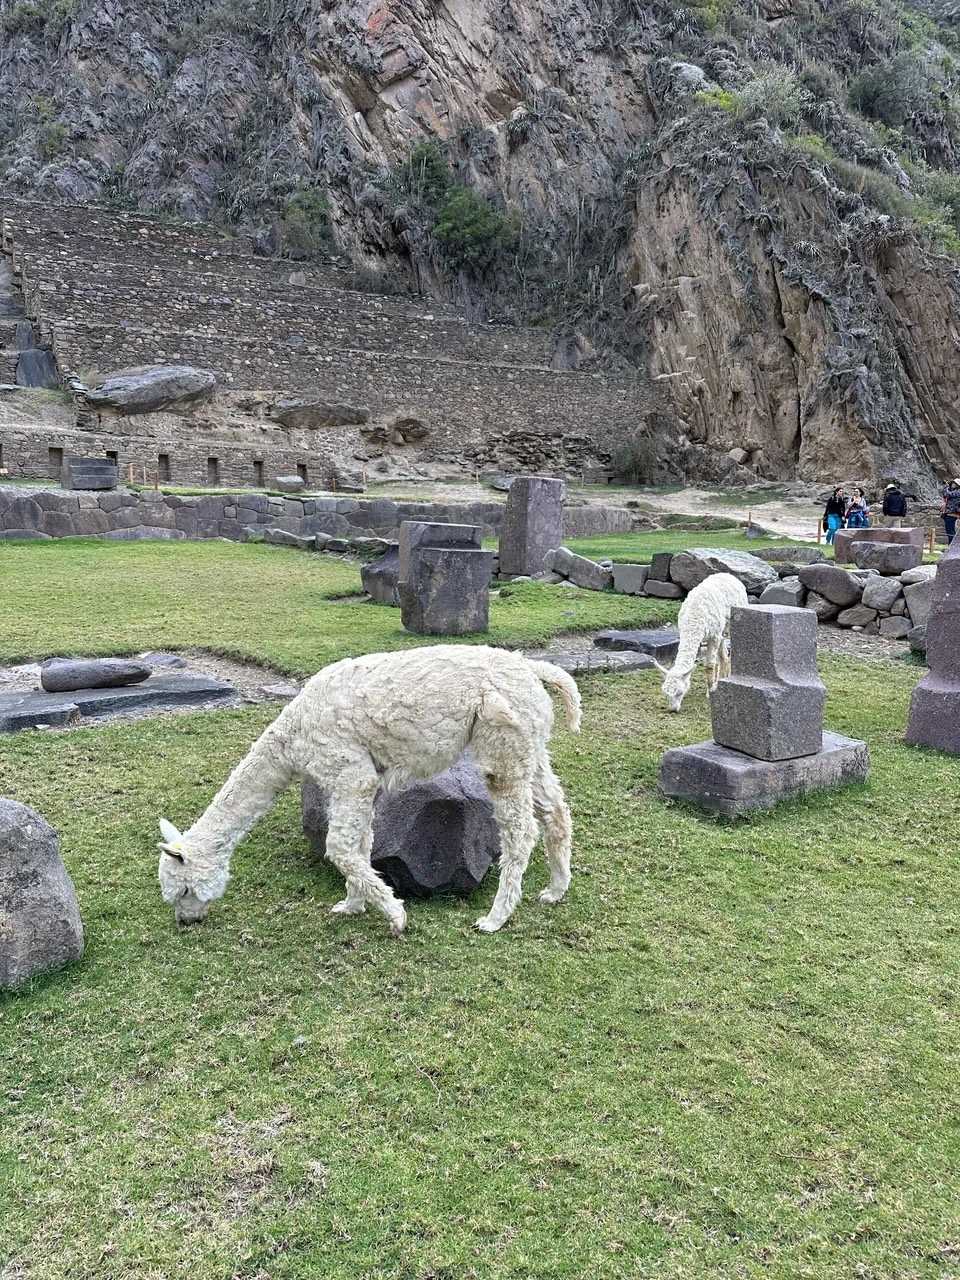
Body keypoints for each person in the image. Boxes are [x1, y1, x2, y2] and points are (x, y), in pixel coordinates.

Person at [941, 478, 960, 543]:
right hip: (949, 514)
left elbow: (947, 494)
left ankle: (952, 546)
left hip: (952, 514)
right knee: (949, 531)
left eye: (955, 484)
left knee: (950, 532)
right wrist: (947, 487)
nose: (953, 484)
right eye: (953, 483)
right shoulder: (953, 491)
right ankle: (950, 546)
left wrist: (946, 487)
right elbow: (945, 494)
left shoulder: (958, 492)